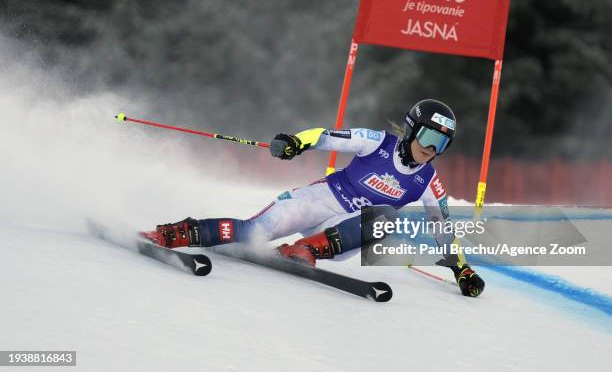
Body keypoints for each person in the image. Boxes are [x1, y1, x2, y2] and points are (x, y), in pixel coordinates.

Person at [143, 99, 485, 297]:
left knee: (387, 219)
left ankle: (304, 249)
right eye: (427, 137)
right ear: (412, 129)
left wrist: (461, 270)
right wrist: (295, 143)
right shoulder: (376, 142)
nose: (430, 149)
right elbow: (324, 136)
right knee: (251, 233)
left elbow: (443, 228)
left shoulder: (429, 181)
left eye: (441, 144)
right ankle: (176, 233)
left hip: (344, 232)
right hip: (320, 199)